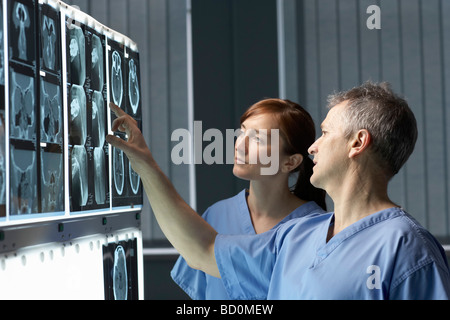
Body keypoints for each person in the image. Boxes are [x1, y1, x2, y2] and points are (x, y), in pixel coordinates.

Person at [107, 82, 450, 299]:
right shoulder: (298, 236)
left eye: (326, 133)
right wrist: (146, 166)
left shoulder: (406, 248)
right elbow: (204, 249)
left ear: (357, 143)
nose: (313, 147)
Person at [170, 99, 327, 299]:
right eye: (242, 132)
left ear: (290, 161)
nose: (239, 146)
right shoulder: (216, 215)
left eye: (257, 139)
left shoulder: (314, 229)